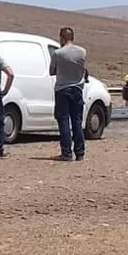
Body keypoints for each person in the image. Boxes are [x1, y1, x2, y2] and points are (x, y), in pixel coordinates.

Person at [50, 27, 90, 161]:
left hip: (62, 89)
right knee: (77, 121)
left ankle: (66, 152)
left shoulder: (58, 53)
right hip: (77, 89)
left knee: (63, 120)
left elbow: (52, 71)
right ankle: (80, 152)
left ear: (62, 38)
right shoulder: (82, 52)